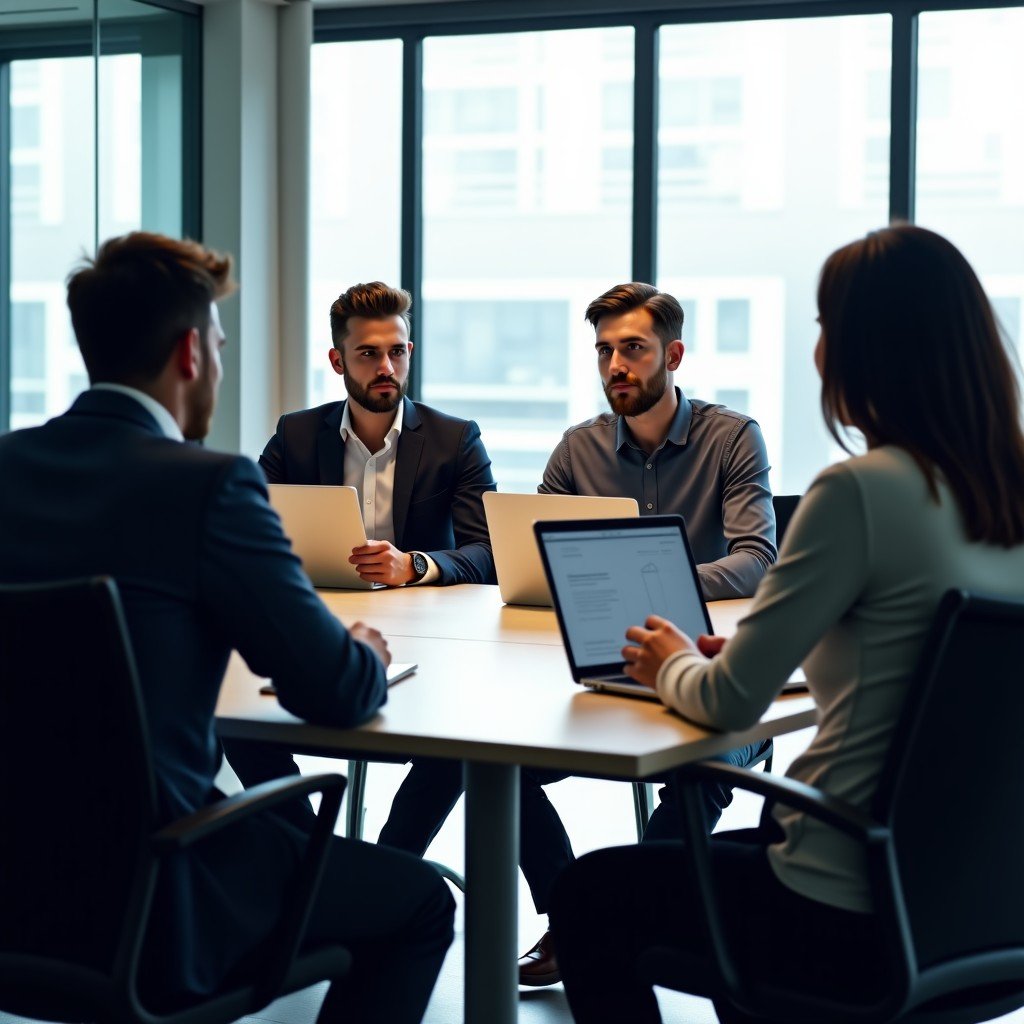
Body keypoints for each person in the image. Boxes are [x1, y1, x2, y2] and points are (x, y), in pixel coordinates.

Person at [550, 224, 1024, 1023]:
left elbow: (729, 705)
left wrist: (669, 658)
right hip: (980, 905)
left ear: (864, 350)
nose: (817, 348)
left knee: (589, 894)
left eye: (823, 326)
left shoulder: (860, 492)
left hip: (848, 909)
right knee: (722, 862)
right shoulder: (1006, 491)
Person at [0, 233, 453, 1024]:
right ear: (188, 352)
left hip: (14, 884)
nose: (217, 357)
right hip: (156, 899)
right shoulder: (209, 486)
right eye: (215, 340)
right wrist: (364, 656)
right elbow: (337, 693)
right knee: (418, 903)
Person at [377, 282, 778, 986]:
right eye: (604, 351)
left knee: (695, 775)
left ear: (673, 354)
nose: (615, 365)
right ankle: (573, 919)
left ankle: (630, 921)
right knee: (494, 760)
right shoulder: (576, 449)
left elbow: (755, 559)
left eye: (633, 349)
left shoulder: (731, 438)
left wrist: (653, 583)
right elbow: (538, 560)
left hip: (708, 668)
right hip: (601, 666)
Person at [223, 280, 498, 817]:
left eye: (396, 351)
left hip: (434, 639)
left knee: (462, 738)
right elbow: (247, 532)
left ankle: (394, 865)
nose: (385, 367)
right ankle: (309, 856)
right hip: (324, 626)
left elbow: (489, 552)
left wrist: (416, 565)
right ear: (337, 359)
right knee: (238, 723)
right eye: (368, 354)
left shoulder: (456, 439)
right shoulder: (296, 436)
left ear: (410, 351)